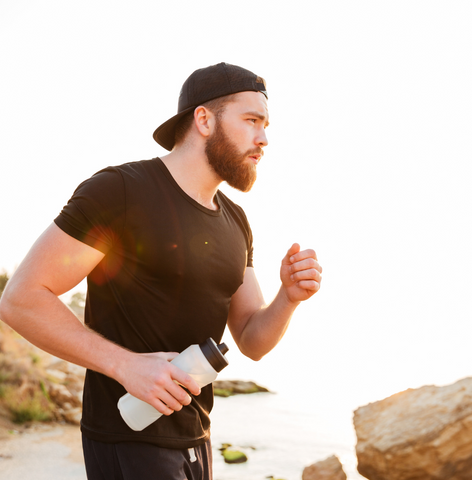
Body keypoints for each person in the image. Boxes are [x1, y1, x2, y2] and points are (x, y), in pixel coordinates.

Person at [0, 62, 322, 479]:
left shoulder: (236, 222)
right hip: (127, 437)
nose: (264, 138)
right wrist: (125, 366)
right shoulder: (119, 191)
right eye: (251, 121)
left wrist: (288, 298)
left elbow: (253, 339)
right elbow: (21, 299)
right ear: (204, 120)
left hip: (196, 439)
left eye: (266, 125)